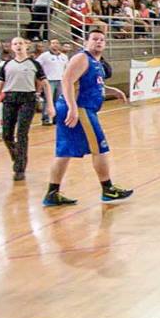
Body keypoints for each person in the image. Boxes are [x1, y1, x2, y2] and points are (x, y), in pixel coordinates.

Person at [43, 26, 133, 207]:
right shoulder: (82, 58)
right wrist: (73, 108)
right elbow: (67, 81)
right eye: (95, 39)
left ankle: (52, 193)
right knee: (100, 148)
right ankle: (108, 189)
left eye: (102, 39)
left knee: (64, 152)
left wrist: (111, 90)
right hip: (80, 108)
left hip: (81, 107)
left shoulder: (96, 62)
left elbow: (89, 84)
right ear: (86, 42)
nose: (98, 42)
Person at [0, 36, 46, 180]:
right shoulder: (7, 64)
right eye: (15, 44)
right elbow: (1, 82)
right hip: (10, 98)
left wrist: (43, 98)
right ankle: (16, 153)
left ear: (26, 46)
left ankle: (20, 168)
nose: (18, 46)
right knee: (6, 134)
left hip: (28, 98)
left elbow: (44, 82)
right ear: (11, 47)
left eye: (21, 43)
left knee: (22, 133)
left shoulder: (34, 64)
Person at [37, 37, 69, 128]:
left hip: (61, 80)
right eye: (53, 43)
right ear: (50, 45)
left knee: (59, 100)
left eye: (57, 43)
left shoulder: (64, 56)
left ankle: (56, 118)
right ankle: (46, 118)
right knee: (48, 100)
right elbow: (37, 65)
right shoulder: (44, 56)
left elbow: (67, 68)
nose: (55, 45)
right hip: (49, 80)